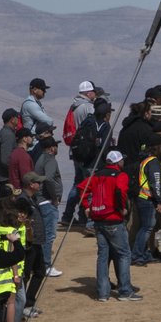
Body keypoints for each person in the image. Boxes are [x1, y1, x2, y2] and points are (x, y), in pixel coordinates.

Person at [82, 148, 140, 302]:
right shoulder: (120, 175)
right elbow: (121, 191)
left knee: (103, 256)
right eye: (122, 160)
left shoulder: (97, 175)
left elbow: (81, 188)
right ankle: (125, 291)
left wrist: (87, 207)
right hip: (113, 219)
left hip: (98, 220)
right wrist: (122, 208)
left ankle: (103, 292)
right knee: (124, 254)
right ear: (118, 162)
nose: (123, 162)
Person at [63, 97, 114, 227]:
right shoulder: (104, 126)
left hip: (81, 160)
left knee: (79, 187)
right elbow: (105, 148)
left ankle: (69, 216)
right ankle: (91, 223)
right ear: (106, 114)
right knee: (93, 192)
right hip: (95, 163)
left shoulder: (87, 121)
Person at [29, 133, 65, 286]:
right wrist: (54, 197)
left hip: (41, 201)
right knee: (49, 235)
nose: (57, 148)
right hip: (47, 202)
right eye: (55, 146)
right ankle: (46, 265)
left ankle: (40, 265)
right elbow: (49, 179)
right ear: (51, 148)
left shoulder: (41, 158)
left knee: (43, 235)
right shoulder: (50, 160)